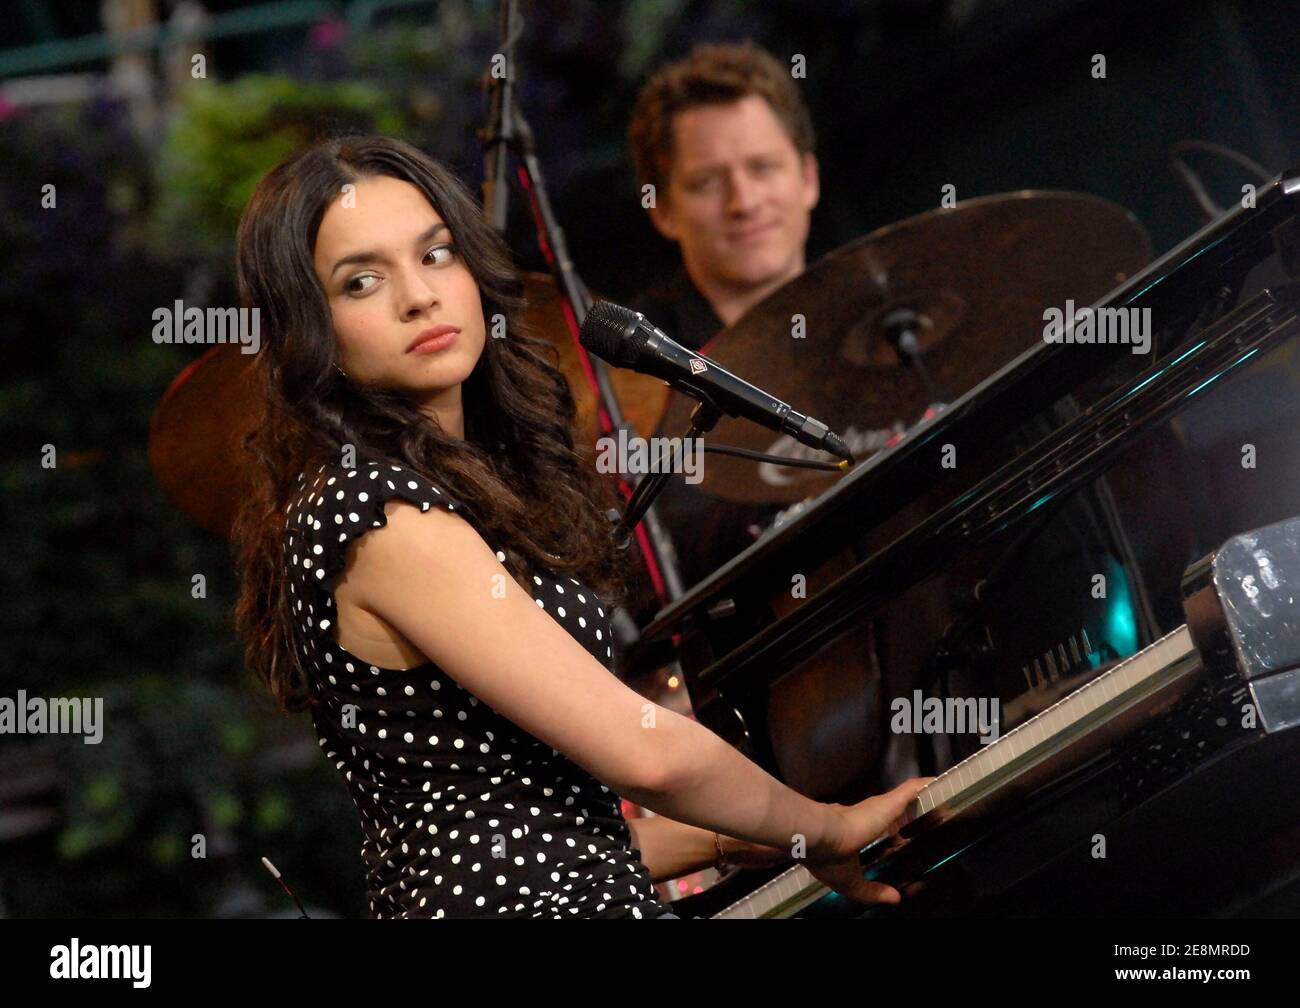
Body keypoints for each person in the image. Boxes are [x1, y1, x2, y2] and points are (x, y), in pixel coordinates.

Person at [230, 133, 928, 919]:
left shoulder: (431, 492)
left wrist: (758, 839)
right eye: (361, 281)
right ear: (306, 328)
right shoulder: (379, 513)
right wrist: (825, 826)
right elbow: (644, 752)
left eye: (436, 255)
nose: (419, 296)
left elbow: (534, 834)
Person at [620, 41, 821, 628]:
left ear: (807, 177)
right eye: (708, 182)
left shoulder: (894, 322)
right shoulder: (630, 375)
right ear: (662, 211)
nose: (745, 202)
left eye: (763, 168)